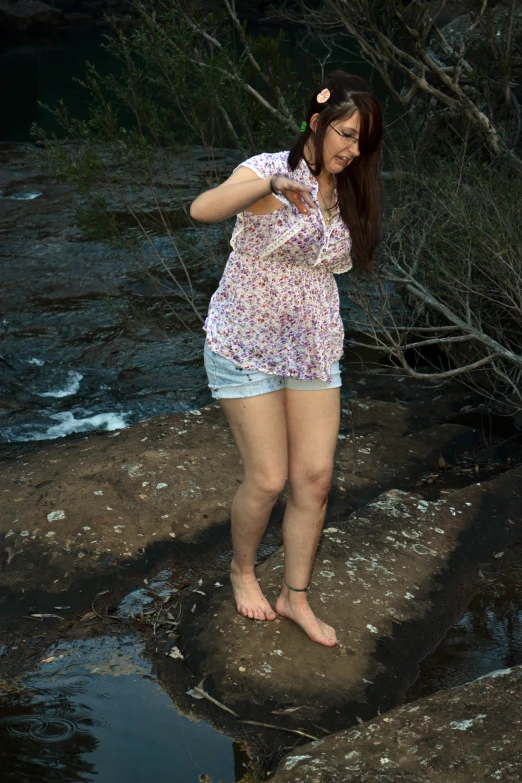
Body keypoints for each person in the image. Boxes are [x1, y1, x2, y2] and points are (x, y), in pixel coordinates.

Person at [190, 71, 383, 647]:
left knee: (315, 479)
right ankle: (242, 571)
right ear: (317, 122)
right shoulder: (265, 171)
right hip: (245, 344)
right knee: (269, 477)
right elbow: (202, 209)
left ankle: (294, 595)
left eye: (361, 142)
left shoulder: (347, 188)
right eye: (345, 134)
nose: (352, 150)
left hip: (314, 345)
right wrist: (268, 185)